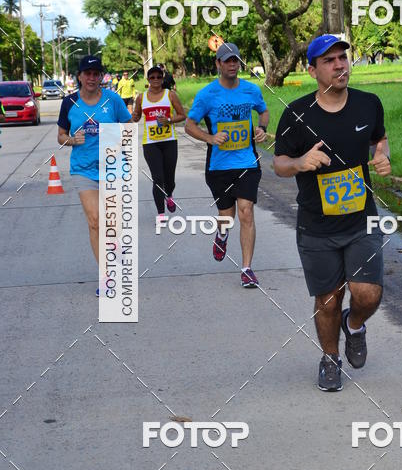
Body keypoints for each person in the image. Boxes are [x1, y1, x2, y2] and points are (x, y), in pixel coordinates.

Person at [274, 34, 391, 392]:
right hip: (316, 226)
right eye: (330, 61)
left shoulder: (368, 104)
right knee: (328, 300)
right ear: (312, 70)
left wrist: (384, 154)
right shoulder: (296, 114)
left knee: (368, 293)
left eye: (343, 57)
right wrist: (299, 162)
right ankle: (330, 358)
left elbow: (379, 138)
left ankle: (354, 326)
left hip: (361, 220)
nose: (341, 65)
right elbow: (278, 163)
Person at [184, 42, 269, 288]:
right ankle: (222, 234)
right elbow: (190, 124)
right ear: (218, 64)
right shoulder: (207, 94)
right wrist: (210, 138)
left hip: (247, 163)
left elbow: (263, 112)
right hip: (218, 167)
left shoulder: (251, 90)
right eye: (227, 60)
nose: (233, 65)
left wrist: (262, 129)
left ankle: (246, 269)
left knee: (246, 211)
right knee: (227, 217)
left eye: (236, 60)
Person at [57, 55, 131, 295]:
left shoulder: (113, 100)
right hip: (83, 169)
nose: (91, 78)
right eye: (87, 73)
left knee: (114, 224)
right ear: (79, 76)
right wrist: (70, 140)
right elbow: (61, 135)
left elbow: (128, 126)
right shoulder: (69, 103)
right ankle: (106, 276)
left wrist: (122, 147)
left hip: (112, 167)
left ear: (101, 77)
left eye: (96, 73)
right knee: (95, 220)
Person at [132, 65, 186, 224]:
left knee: (169, 179)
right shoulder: (141, 98)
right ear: (148, 80)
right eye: (152, 77)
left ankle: (169, 195)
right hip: (150, 144)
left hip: (169, 142)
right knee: (157, 178)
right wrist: (133, 116)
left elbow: (182, 115)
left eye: (158, 77)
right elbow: (136, 117)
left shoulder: (170, 95)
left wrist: (169, 120)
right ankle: (161, 214)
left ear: (162, 79)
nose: (156, 80)